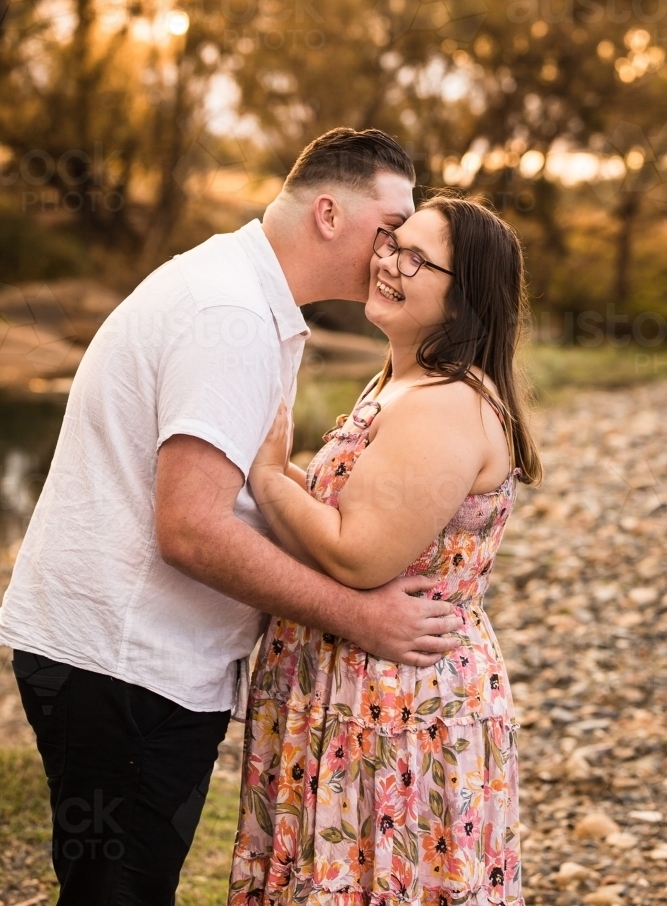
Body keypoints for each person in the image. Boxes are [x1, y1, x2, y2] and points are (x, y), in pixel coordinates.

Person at [0, 128, 465, 905]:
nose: (391, 255)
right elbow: (190, 528)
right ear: (327, 213)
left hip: (125, 659)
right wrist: (362, 618)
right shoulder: (231, 314)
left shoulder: (240, 290)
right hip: (125, 664)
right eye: (388, 230)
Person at [228, 195, 542, 906]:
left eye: (415, 260)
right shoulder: (396, 382)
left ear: (462, 302)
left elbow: (357, 555)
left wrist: (271, 477)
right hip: (350, 691)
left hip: (396, 702)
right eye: (392, 243)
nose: (388, 263)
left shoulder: (444, 403)